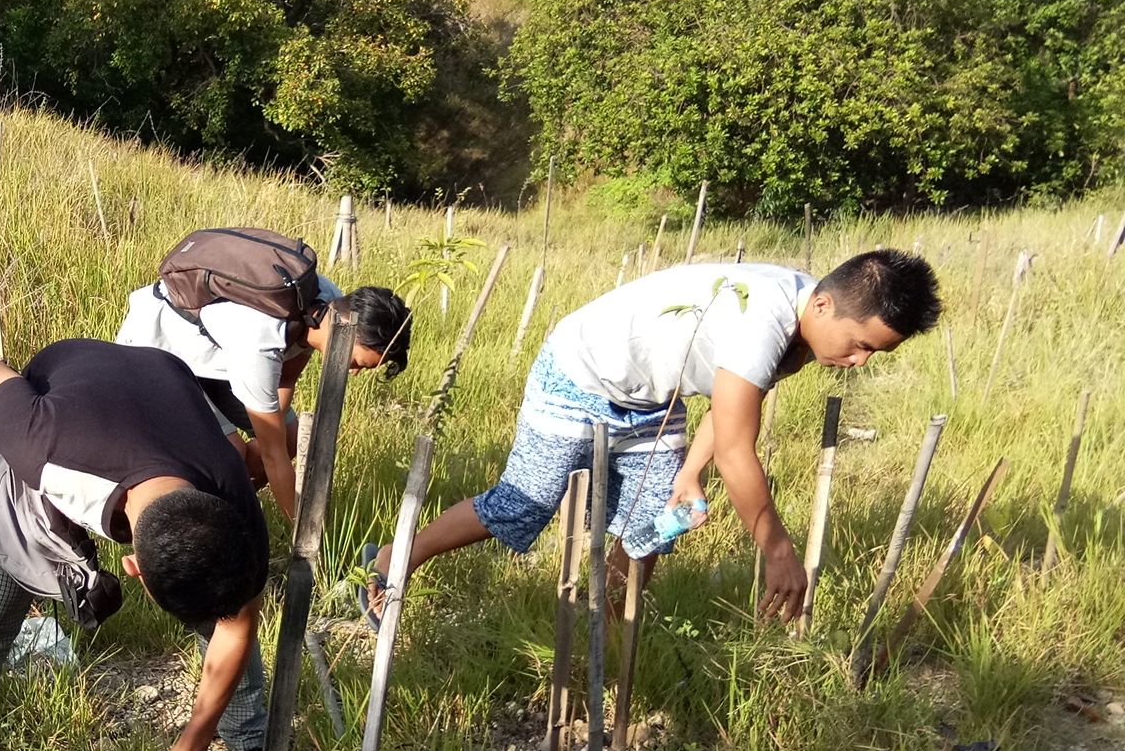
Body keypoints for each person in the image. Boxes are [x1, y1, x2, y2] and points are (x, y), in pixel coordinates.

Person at [364, 249, 942, 624]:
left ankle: (607, 629)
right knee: (526, 504)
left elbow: (729, 413)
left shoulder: (806, 329)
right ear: (823, 303)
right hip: (579, 374)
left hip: (650, 400)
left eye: (874, 353)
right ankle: (395, 557)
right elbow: (740, 452)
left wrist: (689, 474)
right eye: (860, 344)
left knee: (654, 526)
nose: (860, 361)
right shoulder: (763, 321)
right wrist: (779, 551)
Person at [0, 338, 271, 751]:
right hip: (53, 426)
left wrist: (194, 739)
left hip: (152, 391)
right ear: (136, 571)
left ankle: (250, 746)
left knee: (217, 598)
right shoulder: (46, 445)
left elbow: (238, 621)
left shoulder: (231, 499)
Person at [115, 231, 412, 523]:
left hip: (215, 354)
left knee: (289, 437)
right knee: (229, 452)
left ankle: (229, 511)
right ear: (344, 327)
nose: (354, 372)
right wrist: (304, 533)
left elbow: (286, 379)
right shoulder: (261, 339)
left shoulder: (329, 301)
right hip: (160, 351)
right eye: (358, 361)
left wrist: (270, 443)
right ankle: (209, 521)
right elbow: (273, 455)